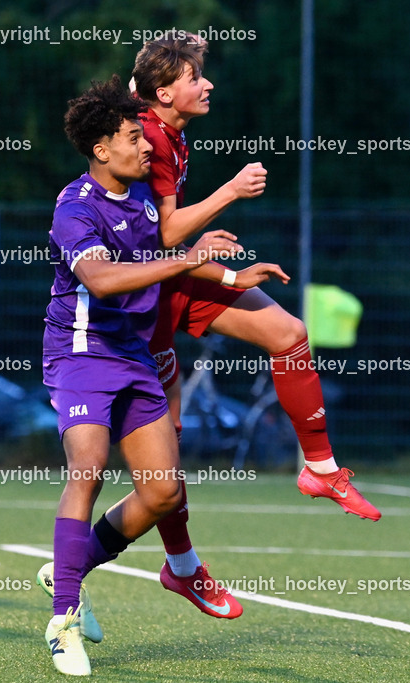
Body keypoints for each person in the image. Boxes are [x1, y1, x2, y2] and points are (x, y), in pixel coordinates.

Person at [126, 34, 380, 619]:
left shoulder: (157, 118)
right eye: (194, 76)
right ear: (165, 93)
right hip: (139, 293)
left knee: (289, 333)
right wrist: (232, 190)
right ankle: (176, 569)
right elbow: (164, 233)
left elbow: (135, 84)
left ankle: (320, 468)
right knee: (166, 455)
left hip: (176, 273)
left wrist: (167, 46)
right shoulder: (145, 137)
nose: (207, 83)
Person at [43, 75, 287, 676]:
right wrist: (188, 257)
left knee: (162, 493)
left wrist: (232, 279)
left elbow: (167, 263)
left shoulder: (145, 202)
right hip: (81, 357)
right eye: (133, 137)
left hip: (133, 356)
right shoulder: (74, 207)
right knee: (89, 471)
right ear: (102, 149)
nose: (147, 146)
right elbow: (103, 279)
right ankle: (63, 619)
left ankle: (69, 563)